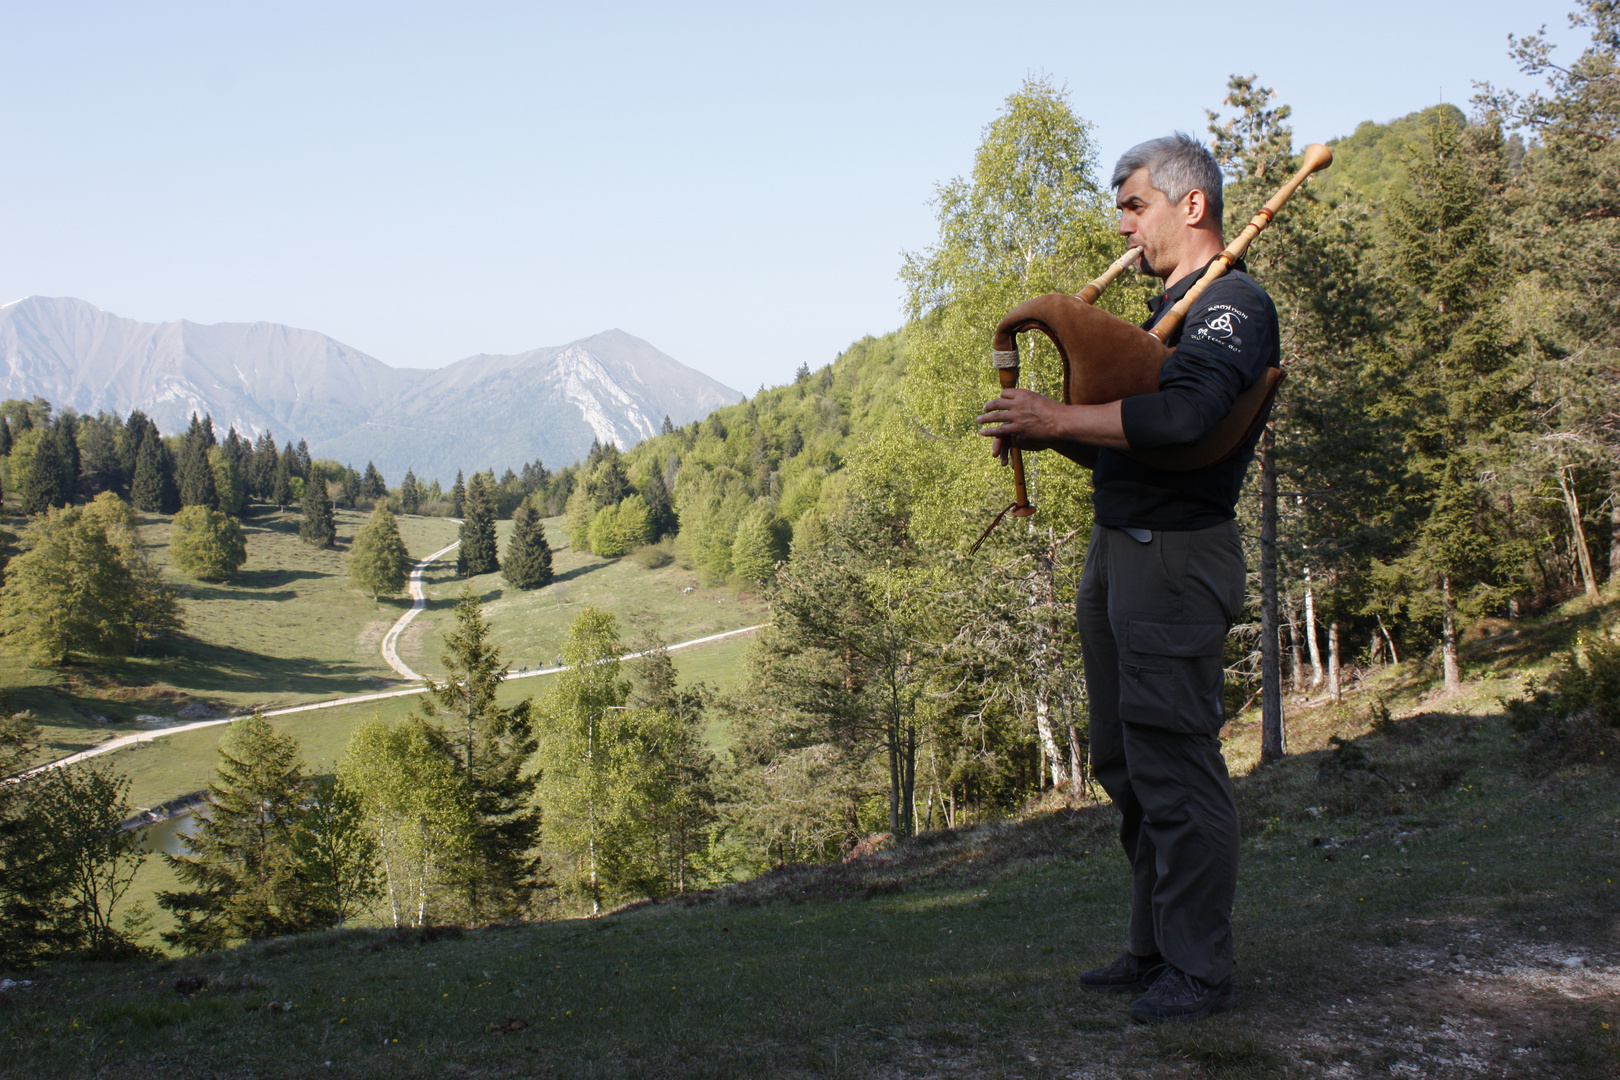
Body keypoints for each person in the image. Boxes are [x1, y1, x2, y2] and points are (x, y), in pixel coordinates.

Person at [976, 132, 1279, 1024]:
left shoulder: (1233, 304)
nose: (1124, 227)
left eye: (1135, 205)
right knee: (1125, 759)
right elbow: (1132, 450)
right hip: (1121, 549)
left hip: (1174, 558)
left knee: (1175, 759)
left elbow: (1186, 421)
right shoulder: (1167, 309)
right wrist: (1051, 431)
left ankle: (1199, 968)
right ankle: (1154, 948)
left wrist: (1062, 413)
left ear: (1192, 205)